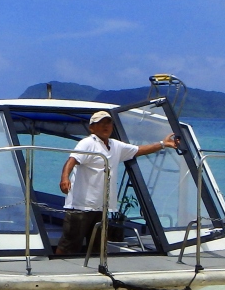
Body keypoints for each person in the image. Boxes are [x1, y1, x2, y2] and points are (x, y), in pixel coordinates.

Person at [54, 110, 179, 257]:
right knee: (69, 244)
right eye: (101, 123)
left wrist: (163, 144)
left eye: (108, 123)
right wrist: (64, 178)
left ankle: (94, 273)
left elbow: (138, 150)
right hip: (81, 206)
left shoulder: (115, 145)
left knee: (98, 246)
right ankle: (56, 267)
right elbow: (72, 160)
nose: (106, 126)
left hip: (102, 207)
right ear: (92, 128)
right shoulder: (87, 143)